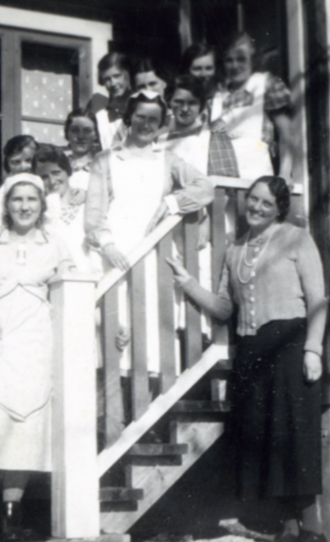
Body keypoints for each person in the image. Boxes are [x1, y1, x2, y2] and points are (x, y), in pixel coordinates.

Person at [166, 176, 328, 542]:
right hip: (252, 350)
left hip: (290, 343)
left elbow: (318, 300)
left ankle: (313, 525)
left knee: (295, 433)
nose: (256, 207)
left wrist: (313, 349)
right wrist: (189, 283)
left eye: (266, 203)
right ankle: (288, 526)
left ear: (279, 209)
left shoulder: (297, 239)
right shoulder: (236, 249)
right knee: (268, 436)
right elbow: (224, 308)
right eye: (252, 199)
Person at [0, 173, 74, 541]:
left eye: (32, 200)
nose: (24, 207)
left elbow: (73, 288)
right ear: (5, 205)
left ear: (42, 206)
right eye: (17, 199)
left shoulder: (56, 244)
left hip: (35, 343)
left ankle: (12, 507)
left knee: (26, 427)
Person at [85, 90, 214, 375]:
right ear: (129, 117)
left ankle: (156, 395)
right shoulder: (106, 159)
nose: (146, 124)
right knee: (115, 328)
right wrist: (108, 246)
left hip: (154, 252)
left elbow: (205, 187)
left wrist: (171, 202)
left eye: (153, 119)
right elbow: (93, 215)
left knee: (153, 329)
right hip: (115, 253)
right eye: (140, 117)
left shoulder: (167, 159)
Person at [210, 33, 296, 183]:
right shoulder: (218, 96)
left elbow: (286, 134)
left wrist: (285, 173)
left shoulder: (265, 85)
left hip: (256, 177)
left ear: (253, 59)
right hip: (220, 180)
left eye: (241, 59)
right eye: (229, 60)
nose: (235, 65)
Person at [36, 146, 98, 274]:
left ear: (68, 171)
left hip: (91, 279)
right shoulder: (38, 214)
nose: (52, 181)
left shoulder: (87, 205)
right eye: (44, 177)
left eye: (56, 172)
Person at [0, 135, 40, 231]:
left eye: (28, 160)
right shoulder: (4, 190)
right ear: (7, 164)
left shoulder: (46, 184)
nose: (23, 167)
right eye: (16, 162)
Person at [86, 52, 133, 150]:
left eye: (117, 76)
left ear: (127, 74)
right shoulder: (102, 117)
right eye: (107, 79)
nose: (113, 83)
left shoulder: (143, 108)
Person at [62, 108, 100, 174]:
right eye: (75, 130)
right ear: (67, 133)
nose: (80, 136)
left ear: (96, 134)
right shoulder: (60, 166)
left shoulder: (103, 166)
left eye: (87, 131)